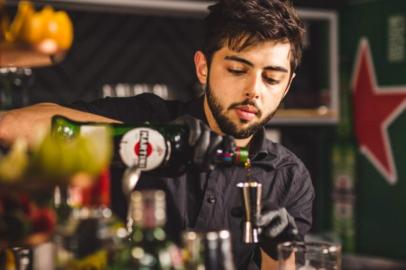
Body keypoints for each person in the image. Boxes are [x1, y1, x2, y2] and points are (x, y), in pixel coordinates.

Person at [0, 0, 314, 269]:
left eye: (272, 78)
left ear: (287, 86)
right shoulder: (148, 118)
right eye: (236, 70)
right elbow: (11, 126)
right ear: (203, 68)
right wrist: (151, 138)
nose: (254, 91)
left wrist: (279, 251)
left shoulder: (288, 177)